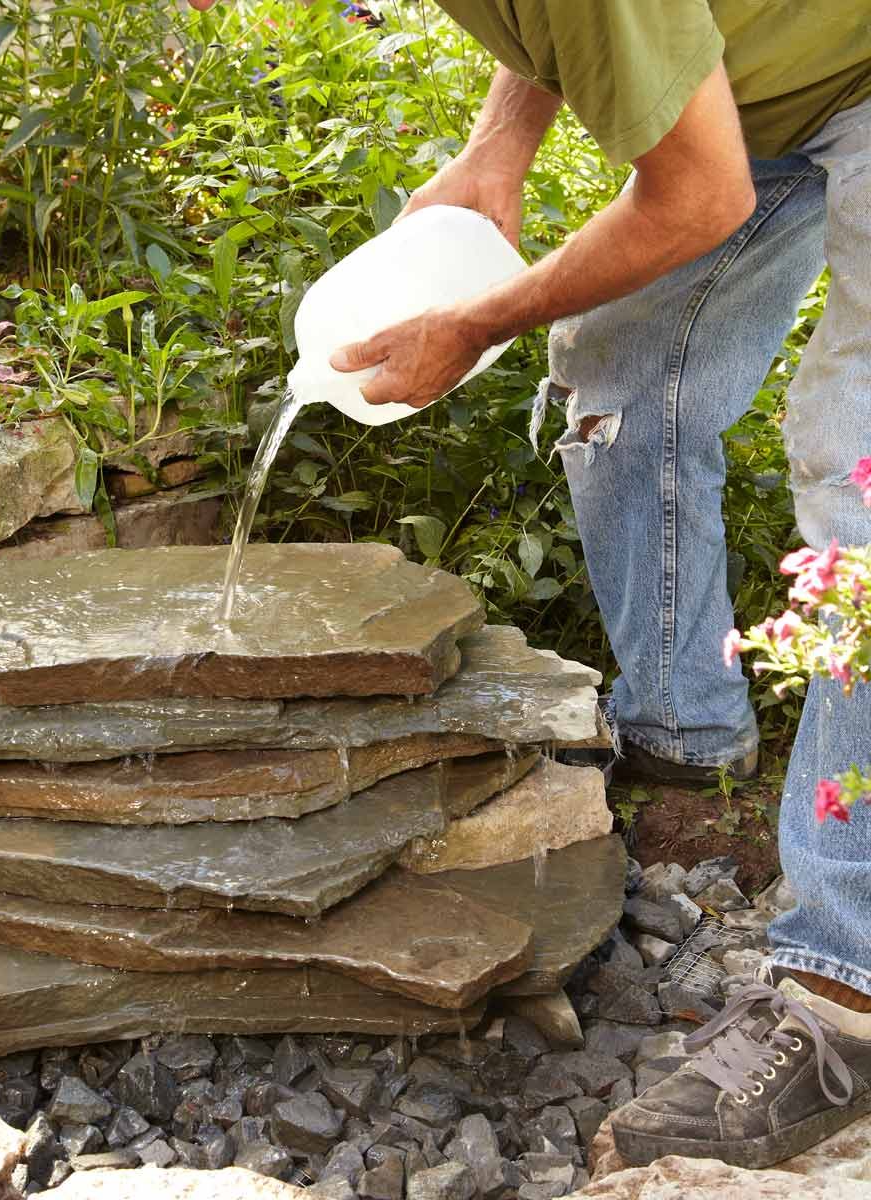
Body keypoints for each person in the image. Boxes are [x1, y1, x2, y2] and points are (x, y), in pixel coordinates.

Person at [189, 0, 871, 1169]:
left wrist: (479, 317)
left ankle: (842, 1003)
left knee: (861, 493)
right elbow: (571, 29)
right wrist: (496, 154)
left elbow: (697, 194)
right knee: (614, 373)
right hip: (764, 85)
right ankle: (688, 728)